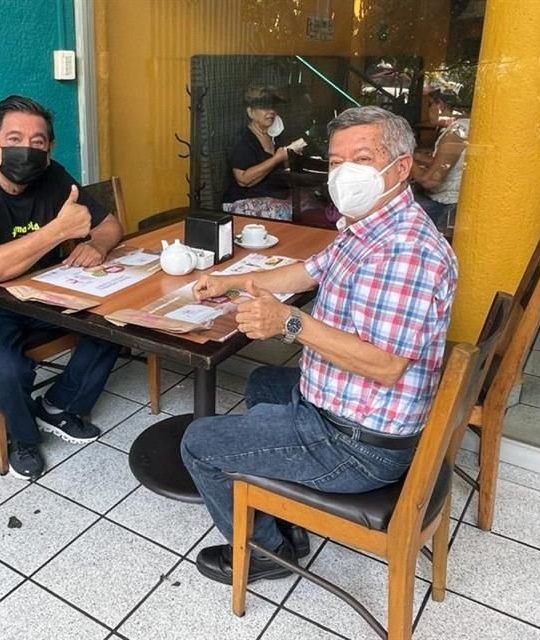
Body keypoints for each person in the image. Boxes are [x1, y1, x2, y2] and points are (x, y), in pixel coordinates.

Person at [181, 106, 458, 585]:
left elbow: (387, 365)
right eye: (334, 161)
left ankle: (263, 554)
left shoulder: (406, 251)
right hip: (350, 411)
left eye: (362, 158)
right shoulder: (371, 224)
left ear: (401, 167)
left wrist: (288, 321)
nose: (344, 172)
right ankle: (282, 508)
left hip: (360, 444)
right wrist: (231, 282)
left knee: (200, 443)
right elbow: (307, 271)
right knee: (264, 380)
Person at [0, 95, 124, 481]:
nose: (26, 150)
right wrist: (59, 232)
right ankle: (24, 438)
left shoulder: (53, 178)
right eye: (14, 138)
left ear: (49, 149)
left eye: (38, 142)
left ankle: (57, 405)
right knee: (9, 368)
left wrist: (96, 244)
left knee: (116, 320)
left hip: (37, 297)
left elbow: (109, 226)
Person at [222, 85, 307, 220]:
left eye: (273, 107)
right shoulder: (242, 139)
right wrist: (276, 158)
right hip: (243, 199)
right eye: (264, 107)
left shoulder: (276, 135)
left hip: (275, 193)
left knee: (313, 204)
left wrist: (289, 157)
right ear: (250, 112)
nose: (271, 111)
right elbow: (243, 180)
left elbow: (283, 169)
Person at [411, 88, 470, 227]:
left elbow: (430, 181)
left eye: (430, 104)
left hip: (446, 205)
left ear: (441, 106)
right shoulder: (463, 126)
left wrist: (406, 161)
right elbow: (445, 163)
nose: (428, 110)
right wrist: (416, 156)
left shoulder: (457, 132)